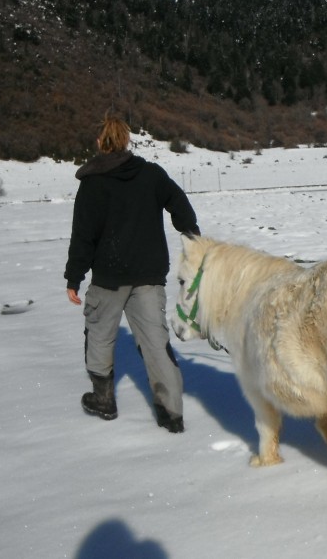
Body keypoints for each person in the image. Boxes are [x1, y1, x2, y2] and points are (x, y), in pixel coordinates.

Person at [64, 114, 200, 433]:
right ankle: (172, 414)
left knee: (99, 335)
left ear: (101, 142)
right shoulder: (151, 175)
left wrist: (74, 277)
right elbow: (178, 201)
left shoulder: (92, 184)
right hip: (149, 275)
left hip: (109, 278)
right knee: (155, 342)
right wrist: (191, 234)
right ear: (126, 141)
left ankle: (103, 400)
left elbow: (83, 236)